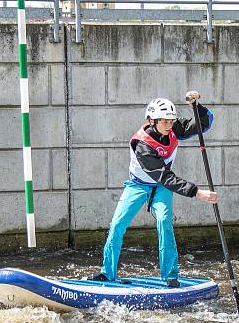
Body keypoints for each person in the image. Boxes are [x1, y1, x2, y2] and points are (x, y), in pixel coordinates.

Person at [91, 90, 218, 288]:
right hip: (139, 185)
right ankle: (107, 274)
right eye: (164, 121)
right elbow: (164, 176)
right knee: (117, 224)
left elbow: (203, 125)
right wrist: (197, 192)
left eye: (171, 120)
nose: (169, 125)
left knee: (164, 222)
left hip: (161, 187)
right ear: (152, 121)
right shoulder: (142, 144)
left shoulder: (173, 127)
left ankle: (170, 276)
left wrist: (196, 105)